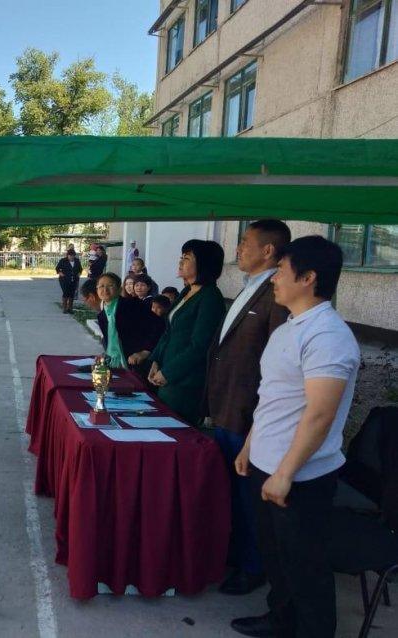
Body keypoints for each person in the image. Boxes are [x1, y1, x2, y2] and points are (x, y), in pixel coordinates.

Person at [231, 236, 360, 638]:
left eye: (281, 272)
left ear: (308, 278)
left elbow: (319, 415)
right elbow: (273, 395)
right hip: (266, 463)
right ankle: (281, 619)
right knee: (276, 557)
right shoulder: (290, 327)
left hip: (300, 476)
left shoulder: (327, 335)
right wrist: (251, 445)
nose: (273, 280)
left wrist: (285, 473)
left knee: (305, 567)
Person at [204, 220, 291, 598]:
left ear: (268, 251)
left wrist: (257, 417)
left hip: (248, 415)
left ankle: (254, 566)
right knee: (230, 491)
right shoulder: (249, 287)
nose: (238, 249)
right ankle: (235, 553)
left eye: (245, 242)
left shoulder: (277, 295)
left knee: (248, 497)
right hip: (225, 407)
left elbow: (275, 362)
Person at [137, 240, 226, 425]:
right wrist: (155, 360)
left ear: (203, 264)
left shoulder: (210, 297)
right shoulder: (187, 291)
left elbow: (200, 346)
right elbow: (168, 331)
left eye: (186, 258)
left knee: (175, 428)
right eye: (181, 257)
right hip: (165, 374)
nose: (180, 262)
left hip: (185, 381)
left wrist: (169, 372)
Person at [55, 248, 82, 313]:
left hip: (74, 279)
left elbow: (80, 269)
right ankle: (64, 308)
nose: (71, 257)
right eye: (70, 256)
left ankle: (70, 308)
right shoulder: (63, 261)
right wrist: (60, 273)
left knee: (72, 293)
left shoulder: (77, 261)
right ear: (67, 255)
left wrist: (79, 274)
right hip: (64, 279)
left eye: (73, 256)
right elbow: (57, 268)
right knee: (66, 292)